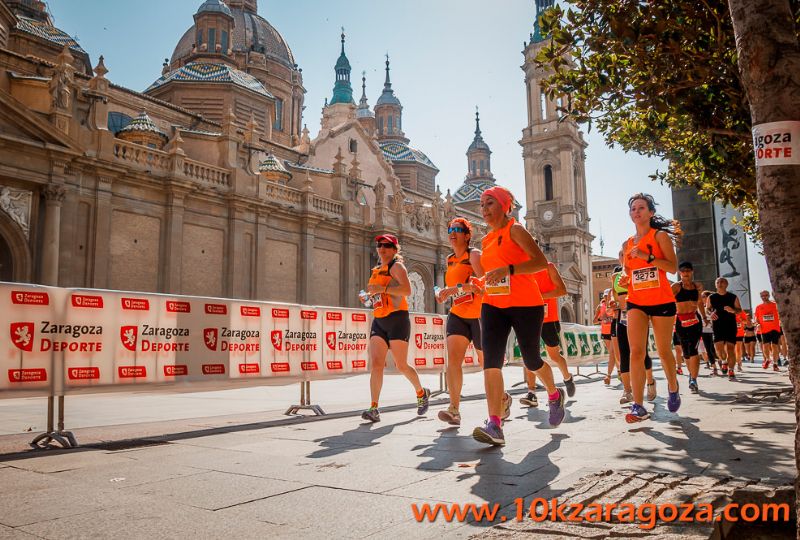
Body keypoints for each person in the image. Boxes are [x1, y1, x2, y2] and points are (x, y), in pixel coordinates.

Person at [471, 186, 565, 446]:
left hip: (525, 304)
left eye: (490, 203)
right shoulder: (487, 240)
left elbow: (539, 262)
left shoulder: (515, 230)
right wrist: (481, 283)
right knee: (490, 363)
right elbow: (494, 275)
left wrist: (508, 270)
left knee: (532, 360)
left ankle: (554, 394)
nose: (485, 209)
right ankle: (495, 424)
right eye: (482, 205)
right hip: (493, 305)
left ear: (504, 206)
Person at [620, 193, 681, 422]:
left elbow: (672, 267)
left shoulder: (660, 236)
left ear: (651, 213)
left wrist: (648, 256)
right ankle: (638, 405)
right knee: (636, 351)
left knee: (664, 351)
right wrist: (626, 277)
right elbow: (627, 269)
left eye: (641, 208)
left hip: (662, 301)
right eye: (633, 208)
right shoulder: (628, 243)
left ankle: (673, 387)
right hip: (636, 300)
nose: (636, 212)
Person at [361, 234, 429, 422]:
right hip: (379, 319)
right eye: (379, 245)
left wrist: (381, 290)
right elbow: (377, 294)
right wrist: (368, 297)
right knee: (376, 364)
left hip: (397, 319)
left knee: (401, 365)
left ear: (394, 249)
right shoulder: (377, 269)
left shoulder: (397, 267)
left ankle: (421, 393)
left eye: (386, 245)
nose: (381, 248)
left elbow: (407, 290)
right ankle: (374, 407)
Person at [435, 218, 494, 425]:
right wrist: (445, 294)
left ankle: (501, 399)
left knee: (486, 364)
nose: (452, 233)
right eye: (450, 229)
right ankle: (454, 409)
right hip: (458, 314)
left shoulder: (474, 255)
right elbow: (454, 289)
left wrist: (456, 289)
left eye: (458, 230)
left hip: (479, 315)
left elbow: (483, 285)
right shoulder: (450, 259)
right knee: (453, 362)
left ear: (467, 235)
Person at [521, 260, 576, 407]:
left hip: (548, 319)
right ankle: (531, 393)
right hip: (529, 317)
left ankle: (567, 378)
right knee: (530, 356)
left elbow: (562, 290)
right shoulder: (520, 269)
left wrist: (539, 296)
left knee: (554, 355)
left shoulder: (548, 266)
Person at [611, 264, 657, 405]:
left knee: (641, 352)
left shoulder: (638, 272)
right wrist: (614, 303)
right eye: (621, 255)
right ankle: (627, 390)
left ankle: (650, 383)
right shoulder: (615, 277)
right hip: (622, 317)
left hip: (639, 315)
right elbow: (614, 296)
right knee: (624, 353)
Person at [671, 261, 705, 393]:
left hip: (695, 321)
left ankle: (694, 379)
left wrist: (705, 317)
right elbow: (666, 299)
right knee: (686, 353)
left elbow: (700, 302)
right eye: (683, 271)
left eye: (688, 270)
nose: (685, 273)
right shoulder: (676, 287)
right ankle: (691, 375)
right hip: (681, 322)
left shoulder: (697, 287)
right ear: (680, 273)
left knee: (694, 350)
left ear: (692, 272)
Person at [706, 277, 742, 381]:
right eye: (718, 282)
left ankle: (731, 370)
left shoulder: (733, 297)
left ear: (726, 284)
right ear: (715, 285)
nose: (720, 284)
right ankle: (723, 361)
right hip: (717, 325)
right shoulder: (712, 297)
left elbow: (739, 310)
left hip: (730, 325)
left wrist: (732, 310)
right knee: (719, 349)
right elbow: (707, 309)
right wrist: (710, 313)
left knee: (730, 349)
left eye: (722, 282)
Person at [594, 291, 618, 385]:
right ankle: (620, 371)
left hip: (615, 330)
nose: (607, 297)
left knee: (613, 353)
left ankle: (609, 375)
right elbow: (595, 320)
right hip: (605, 333)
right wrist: (601, 319)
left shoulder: (614, 304)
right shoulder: (600, 306)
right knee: (613, 354)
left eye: (609, 295)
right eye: (605, 296)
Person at [754, 290, 781, 372]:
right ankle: (768, 359)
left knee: (775, 346)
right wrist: (757, 324)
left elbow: (781, 315)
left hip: (775, 328)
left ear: (769, 295)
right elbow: (756, 319)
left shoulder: (775, 305)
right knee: (765, 346)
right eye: (762, 296)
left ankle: (775, 363)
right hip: (764, 329)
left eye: (765, 295)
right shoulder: (758, 307)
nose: (764, 297)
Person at [700, 291, 719, 374]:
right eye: (701, 296)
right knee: (708, 349)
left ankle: (721, 361)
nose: (702, 298)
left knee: (714, 349)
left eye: (704, 296)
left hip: (714, 330)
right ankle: (714, 368)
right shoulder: (700, 308)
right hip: (704, 330)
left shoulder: (715, 307)